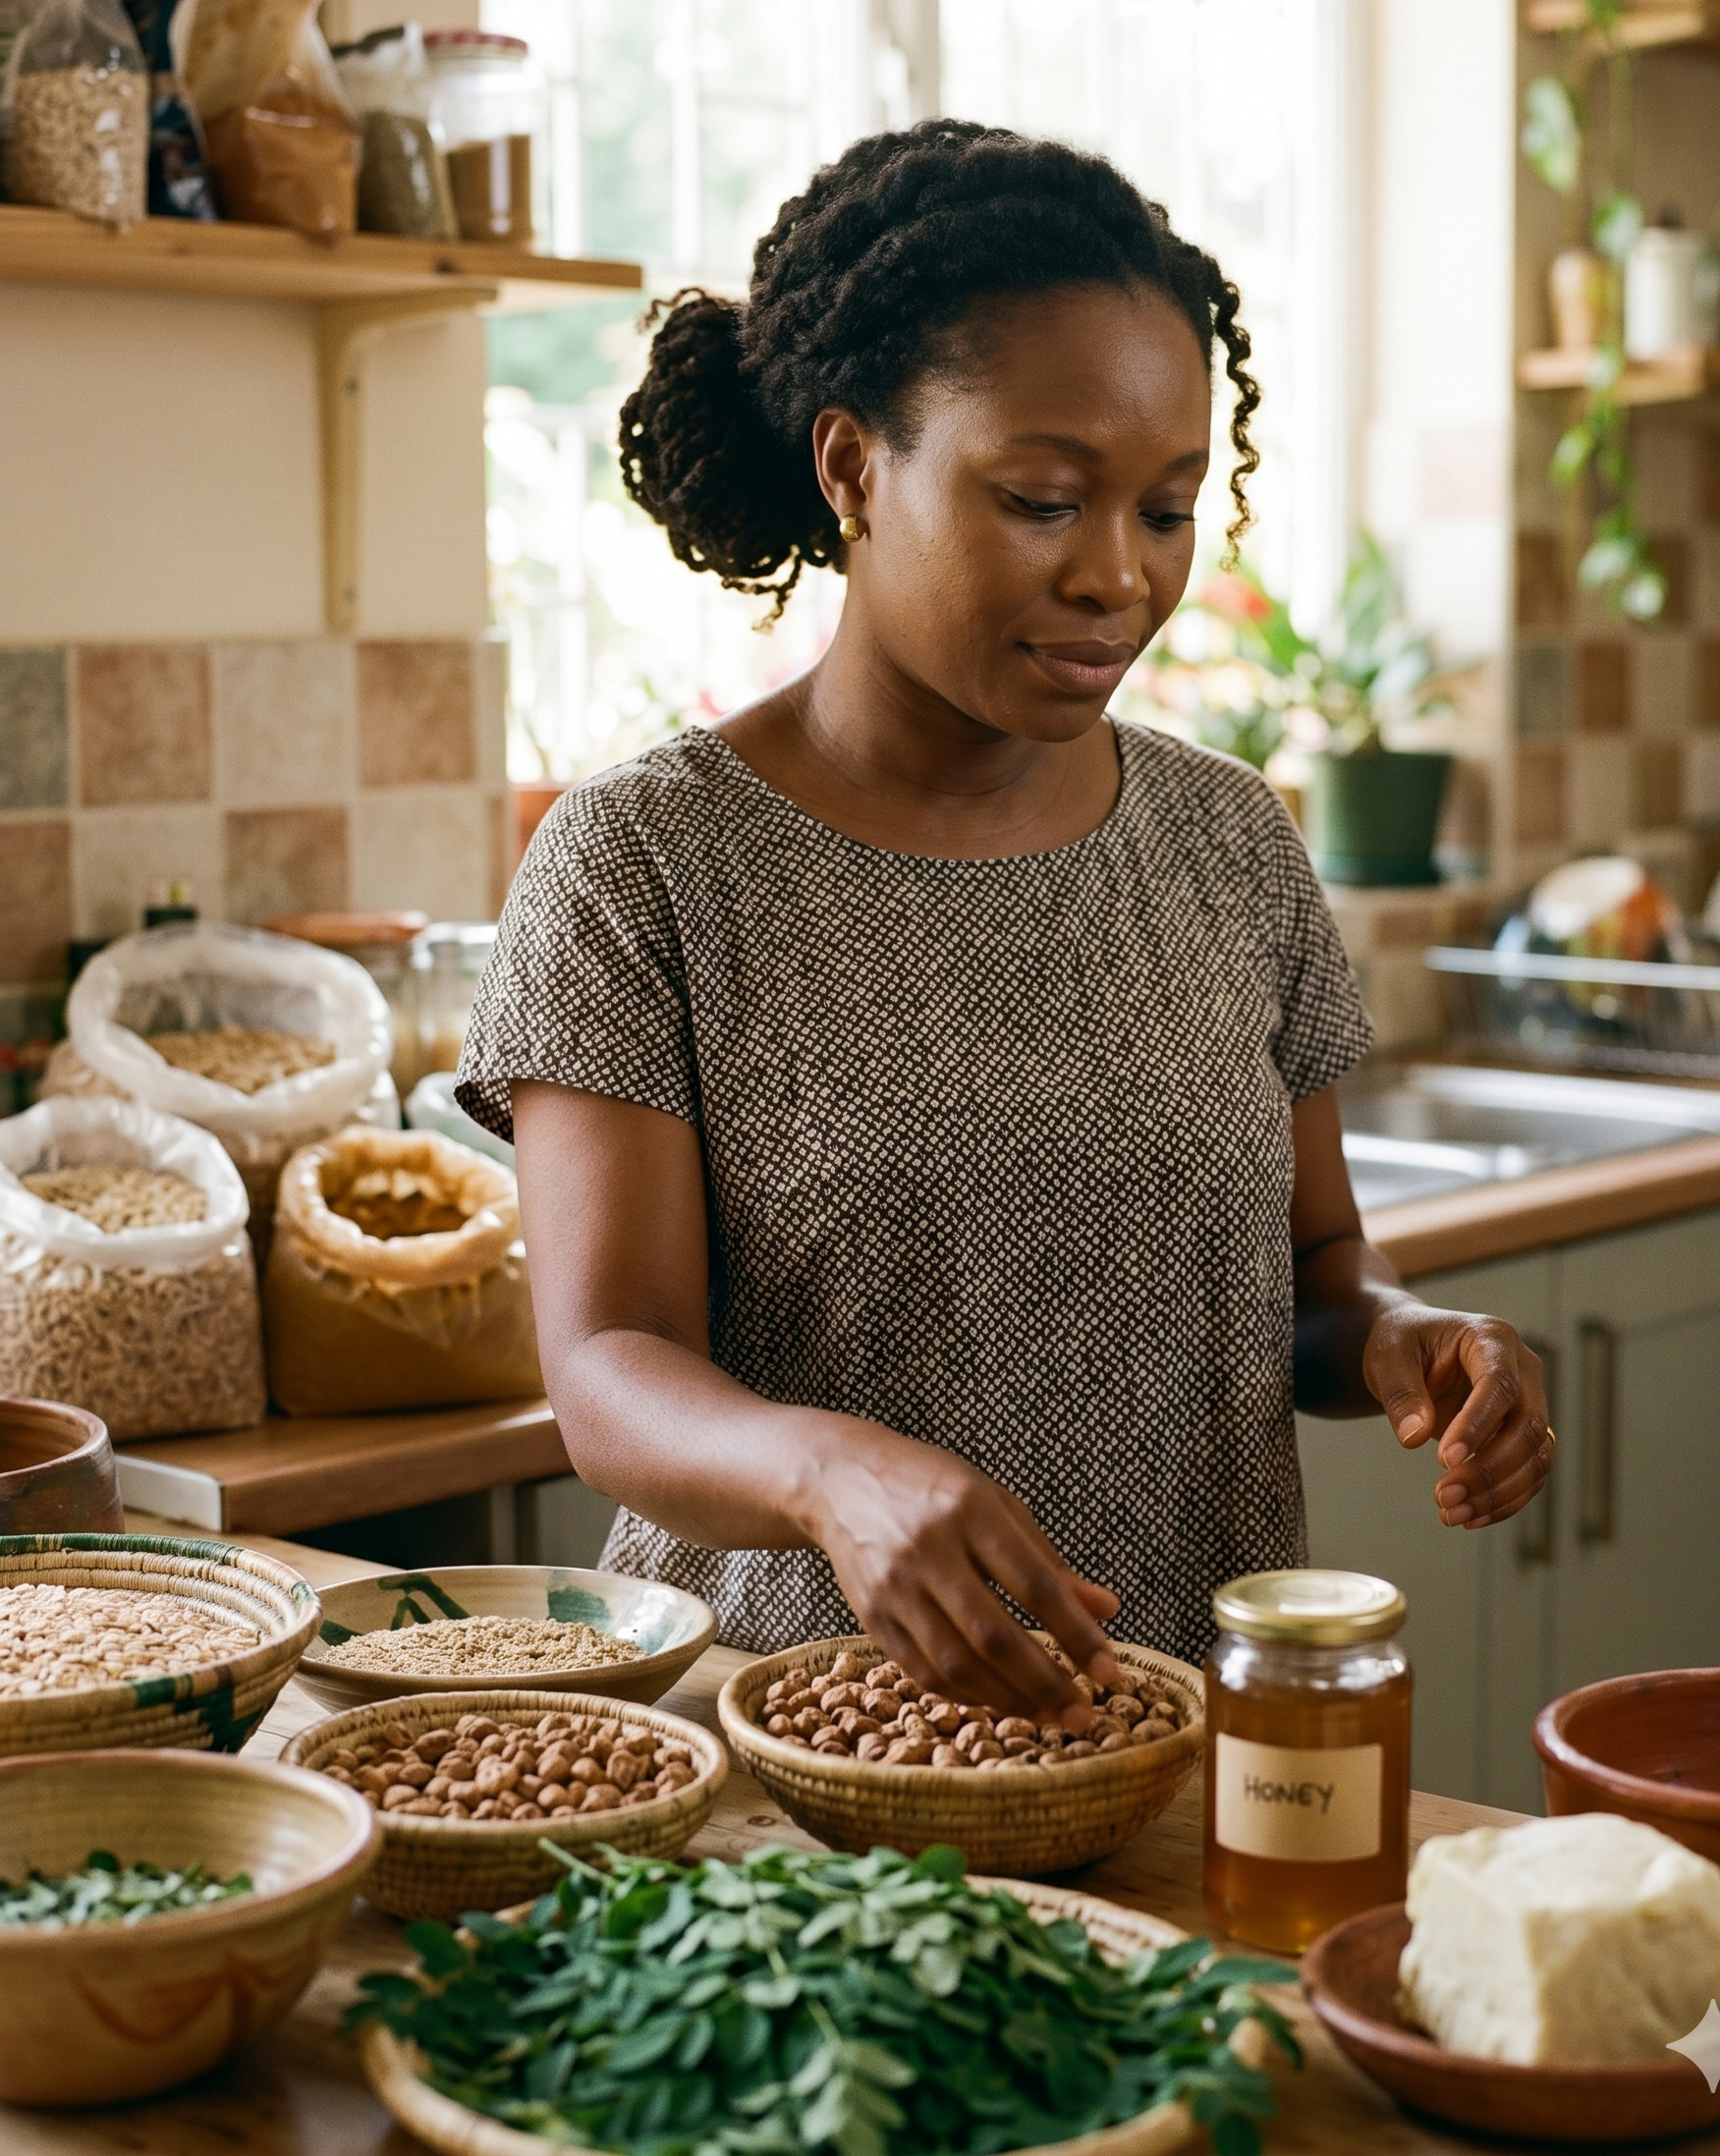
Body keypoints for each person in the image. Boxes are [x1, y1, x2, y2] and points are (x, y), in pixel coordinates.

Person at [456, 120, 1553, 1722]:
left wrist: (1404, 1336)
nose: (1119, 576)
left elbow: (1314, 1265)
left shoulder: (1228, 841)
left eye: (1167, 510)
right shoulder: (647, 861)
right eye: (1043, 499)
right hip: (797, 1740)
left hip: (1172, 1731)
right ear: (852, 468)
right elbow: (609, 1366)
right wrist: (829, 1473)